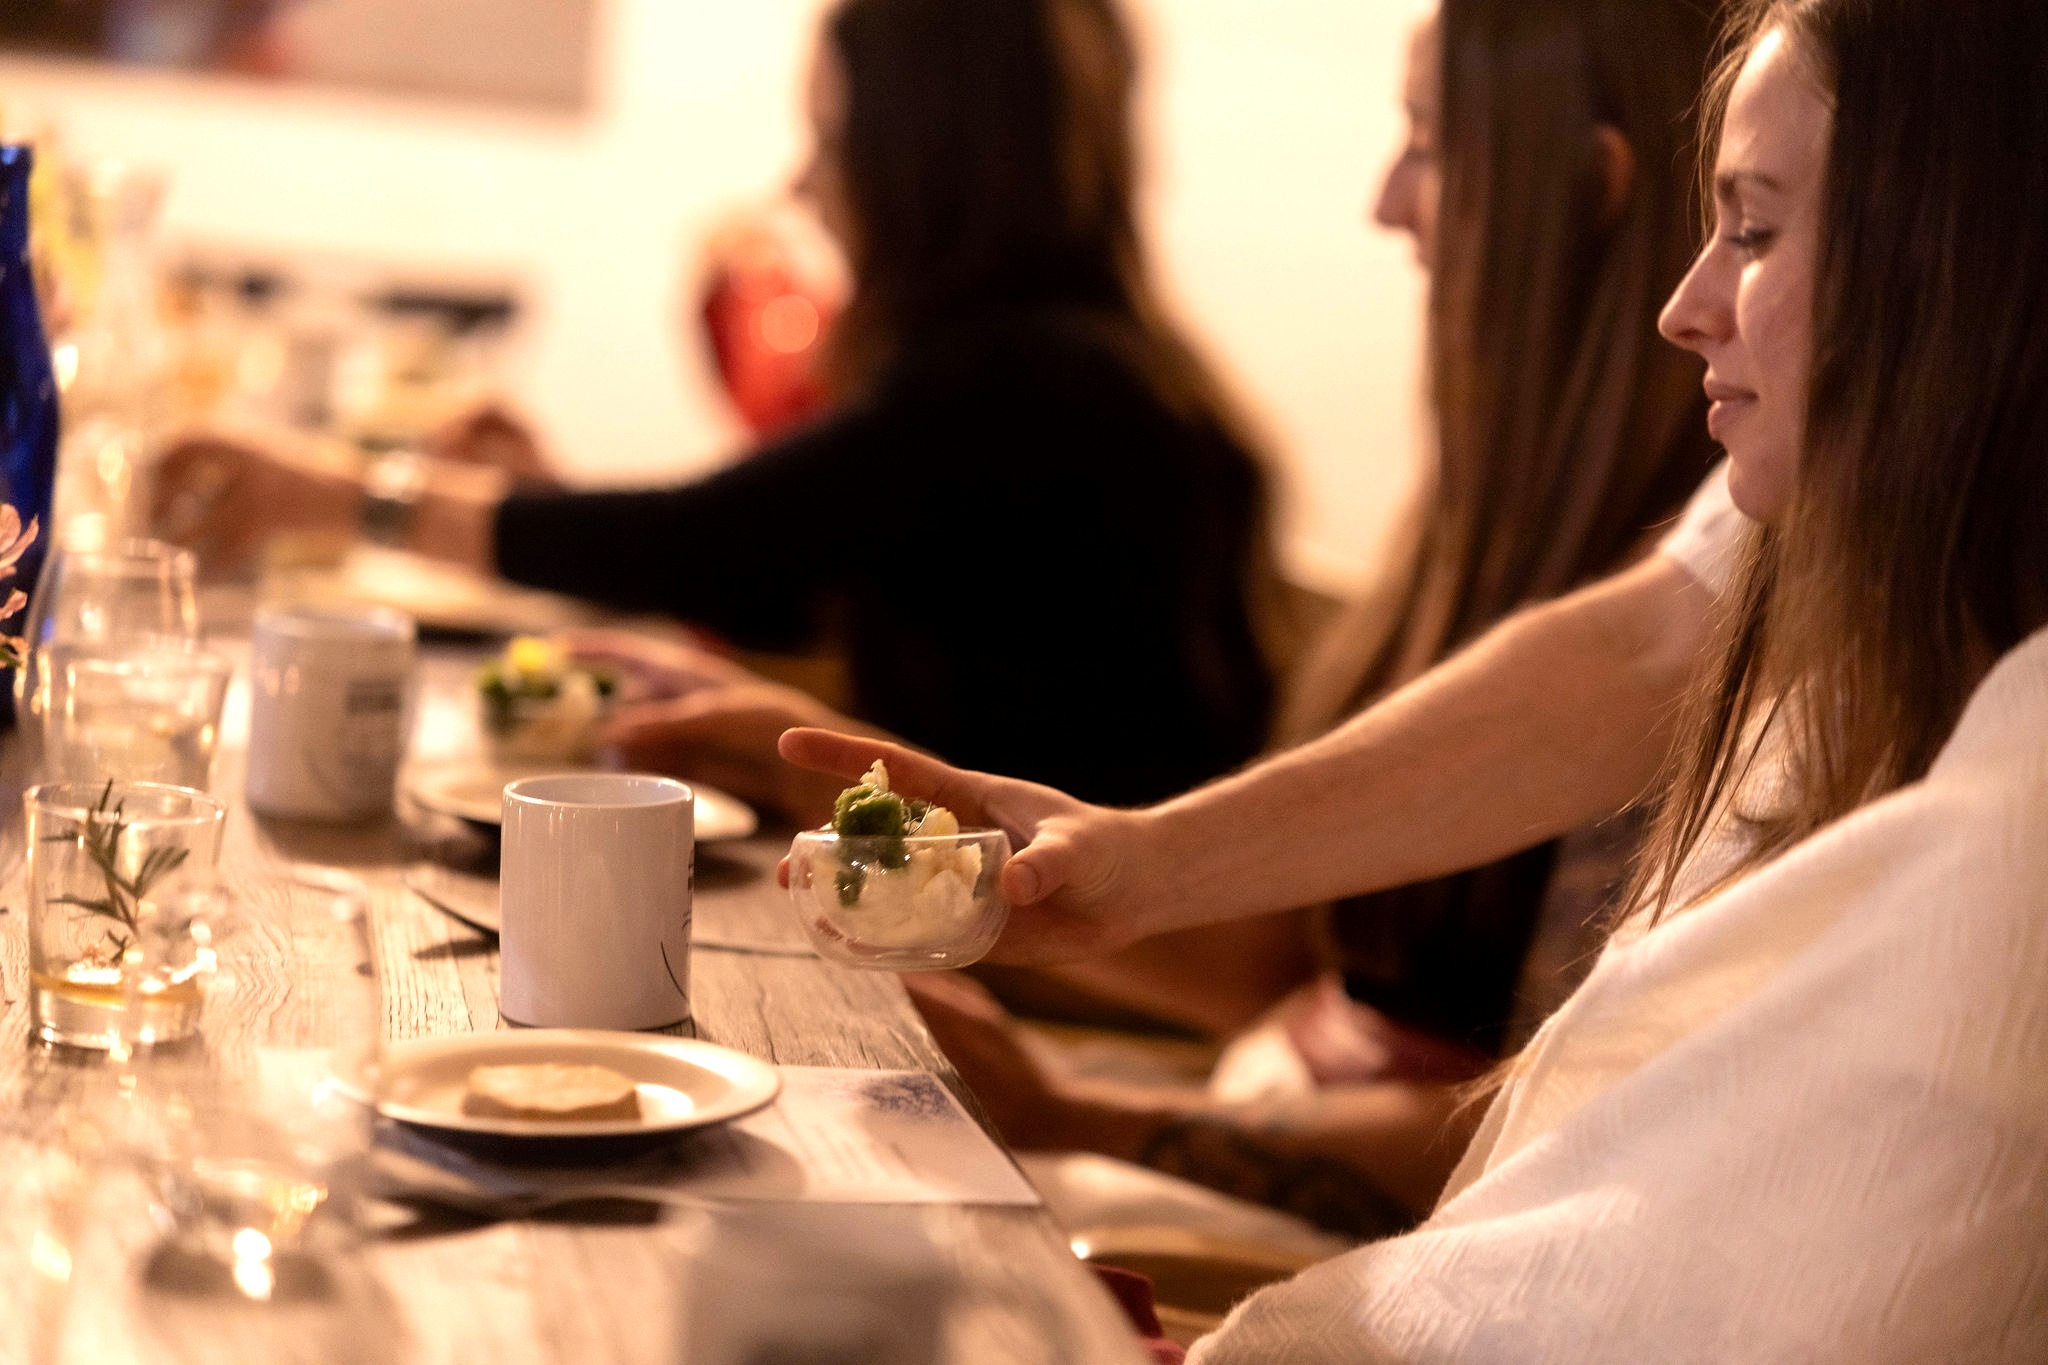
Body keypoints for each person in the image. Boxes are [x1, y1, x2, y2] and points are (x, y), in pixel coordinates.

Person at [785, 0, 2048, 1353]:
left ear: (1944, 266)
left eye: (1751, 225)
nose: (1384, 201)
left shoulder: (1980, 776)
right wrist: (1133, 868)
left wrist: (1084, 1107)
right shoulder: (1568, 524)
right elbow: (1639, 641)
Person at [903, 0, 1726, 1237]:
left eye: (1428, 142)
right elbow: (1283, 975)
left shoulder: (1690, 605)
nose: (1384, 201)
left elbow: (1557, 1149)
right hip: (1246, 1114)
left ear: (1586, 187)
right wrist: (862, 813)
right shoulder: (1482, 518)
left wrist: (1075, 1112)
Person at [152, 0, 1287, 814]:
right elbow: (779, 574)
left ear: (922, 164)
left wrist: (332, 494)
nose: (802, 185)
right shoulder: (1078, 366)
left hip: (1058, 966)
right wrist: (543, 502)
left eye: (833, 142)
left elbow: (701, 545)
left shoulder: (1023, 383)